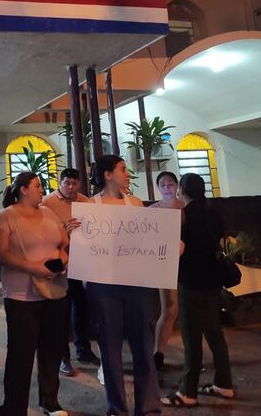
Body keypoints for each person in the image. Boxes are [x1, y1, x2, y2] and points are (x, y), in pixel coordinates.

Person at [82, 155, 161, 416]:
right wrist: (72, 230)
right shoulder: (90, 206)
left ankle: (148, 407)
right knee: (110, 348)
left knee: (143, 346)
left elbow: (148, 239)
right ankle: (117, 408)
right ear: (107, 174)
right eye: (123, 170)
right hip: (104, 287)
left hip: (137, 284)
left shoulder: (135, 203)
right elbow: (83, 246)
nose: (128, 174)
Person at [0, 172, 70, 416]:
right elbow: (1, 254)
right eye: (37, 186)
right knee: (20, 355)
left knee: (51, 349)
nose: (41, 189)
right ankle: (14, 408)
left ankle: (50, 401)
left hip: (54, 291)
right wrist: (33, 268)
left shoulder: (48, 212)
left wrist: (62, 260)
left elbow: (64, 242)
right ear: (23, 189)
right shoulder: (5, 217)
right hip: (21, 296)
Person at [161, 173, 233, 408]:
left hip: (191, 283)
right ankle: (224, 383)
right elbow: (222, 244)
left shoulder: (183, 217)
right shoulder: (214, 213)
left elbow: (179, 250)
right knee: (215, 335)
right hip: (214, 282)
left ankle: (188, 392)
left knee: (191, 339)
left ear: (182, 189)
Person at [41, 167, 97, 377]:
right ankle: (63, 357)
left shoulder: (86, 202)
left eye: (75, 183)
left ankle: (83, 351)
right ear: (60, 182)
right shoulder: (47, 203)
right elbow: (42, 233)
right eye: (67, 183)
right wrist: (63, 231)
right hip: (59, 263)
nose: (71, 187)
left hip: (82, 263)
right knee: (61, 312)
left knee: (81, 309)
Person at [150, 171, 185, 372]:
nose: (167, 188)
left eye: (170, 183)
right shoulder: (154, 210)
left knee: (186, 309)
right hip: (165, 262)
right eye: (162, 184)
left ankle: (192, 354)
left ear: (177, 185)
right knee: (169, 309)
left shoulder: (185, 207)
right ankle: (158, 353)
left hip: (186, 263)